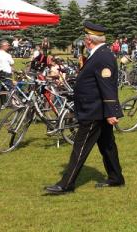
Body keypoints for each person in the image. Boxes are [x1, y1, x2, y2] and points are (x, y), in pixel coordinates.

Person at [45, 21, 123, 194]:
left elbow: (107, 86)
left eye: (85, 38)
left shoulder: (103, 56)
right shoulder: (98, 54)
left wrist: (112, 112)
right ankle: (116, 178)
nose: (84, 41)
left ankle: (66, 184)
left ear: (89, 40)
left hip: (95, 110)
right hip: (95, 108)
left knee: (80, 147)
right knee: (107, 146)